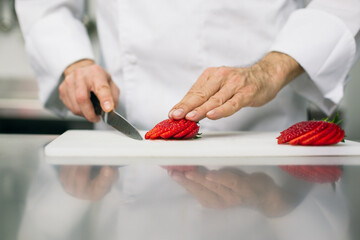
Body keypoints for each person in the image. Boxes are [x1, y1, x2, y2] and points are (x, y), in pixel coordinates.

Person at [15, 0, 359, 239]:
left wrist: (273, 68)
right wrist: (73, 62)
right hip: (125, 158)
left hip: (267, 153)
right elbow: (44, 7)